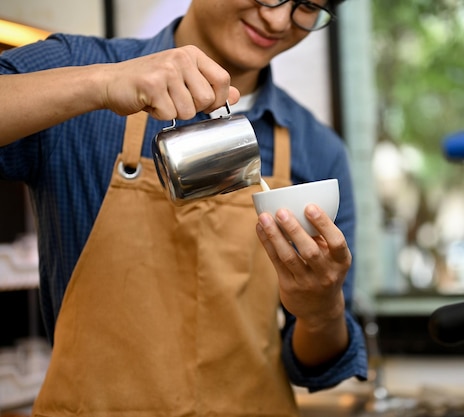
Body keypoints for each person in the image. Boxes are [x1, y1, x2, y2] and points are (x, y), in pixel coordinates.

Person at [0, 0, 368, 416]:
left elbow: (317, 366)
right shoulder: (79, 67)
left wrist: (321, 312)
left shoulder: (317, 150)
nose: (279, 20)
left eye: (309, 7)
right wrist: (101, 84)